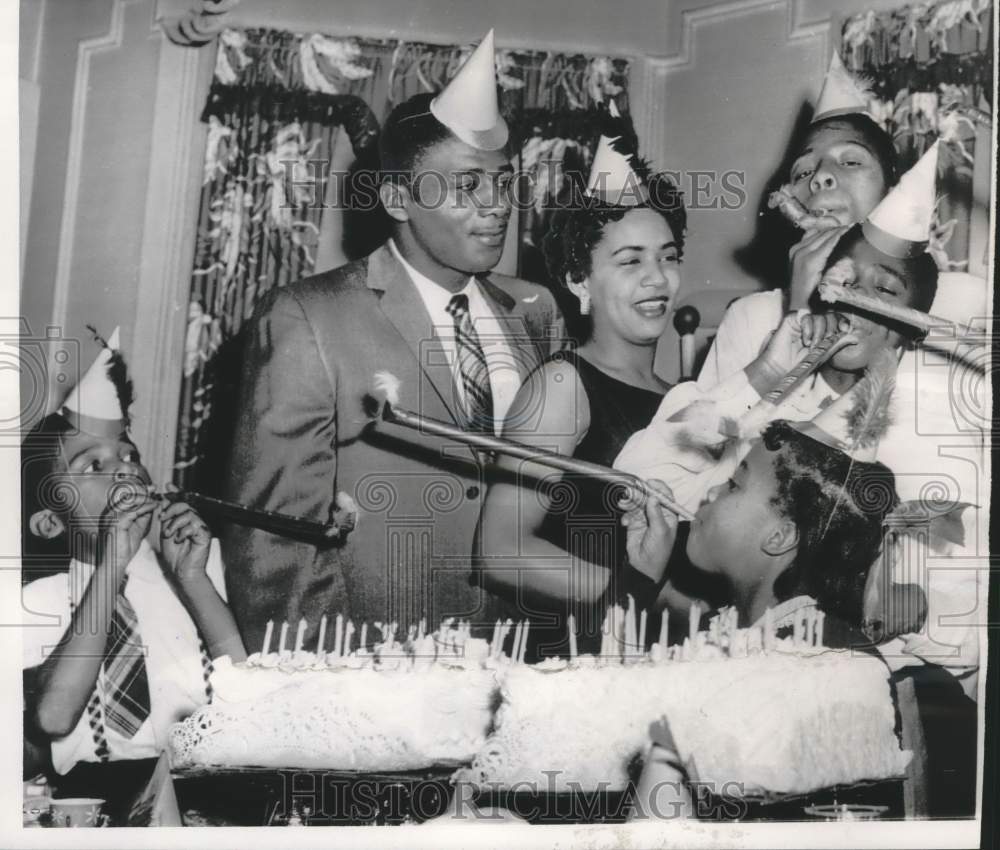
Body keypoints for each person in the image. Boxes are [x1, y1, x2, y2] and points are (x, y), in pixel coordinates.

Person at [220, 31, 563, 650]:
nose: (497, 206)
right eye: (467, 186)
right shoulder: (308, 317)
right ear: (398, 199)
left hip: (528, 658)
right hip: (382, 668)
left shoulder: (536, 311)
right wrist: (326, 693)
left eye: (504, 182)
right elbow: (276, 541)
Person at [618, 141, 983, 695]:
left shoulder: (933, 421)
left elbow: (955, 621)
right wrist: (767, 370)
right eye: (842, 280)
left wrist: (899, 599)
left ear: (910, 322)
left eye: (883, 291)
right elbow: (647, 482)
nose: (856, 299)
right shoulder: (770, 406)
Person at [475, 124, 688, 660]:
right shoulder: (563, 385)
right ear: (578, 281)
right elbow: (501, 551)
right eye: (630, 260)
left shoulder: (683, 396)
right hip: (577, 660)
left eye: (668, 256)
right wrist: (636, 589)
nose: (658, 279)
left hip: (665, 656)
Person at [21, 331, 244, 779]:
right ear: (51, 522)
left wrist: (194, 581)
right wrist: (110, 569)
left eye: (130, 453)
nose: (125, 467)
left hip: (208, 786)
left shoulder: (200, 566)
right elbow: (52, 718)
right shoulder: (37, 600)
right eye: (93, 465)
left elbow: (251, 689)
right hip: (98, 799)